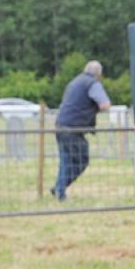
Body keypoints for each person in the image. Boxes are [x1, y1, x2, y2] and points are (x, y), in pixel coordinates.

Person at [52, 60, 112, 201]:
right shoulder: (93, 84)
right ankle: (60, 188)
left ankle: (59, 190)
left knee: (65, 161)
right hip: (73, 129)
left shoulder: (75, 81)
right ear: (98, 75)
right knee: (82, 161)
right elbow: (105, 104)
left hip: (60, 125)